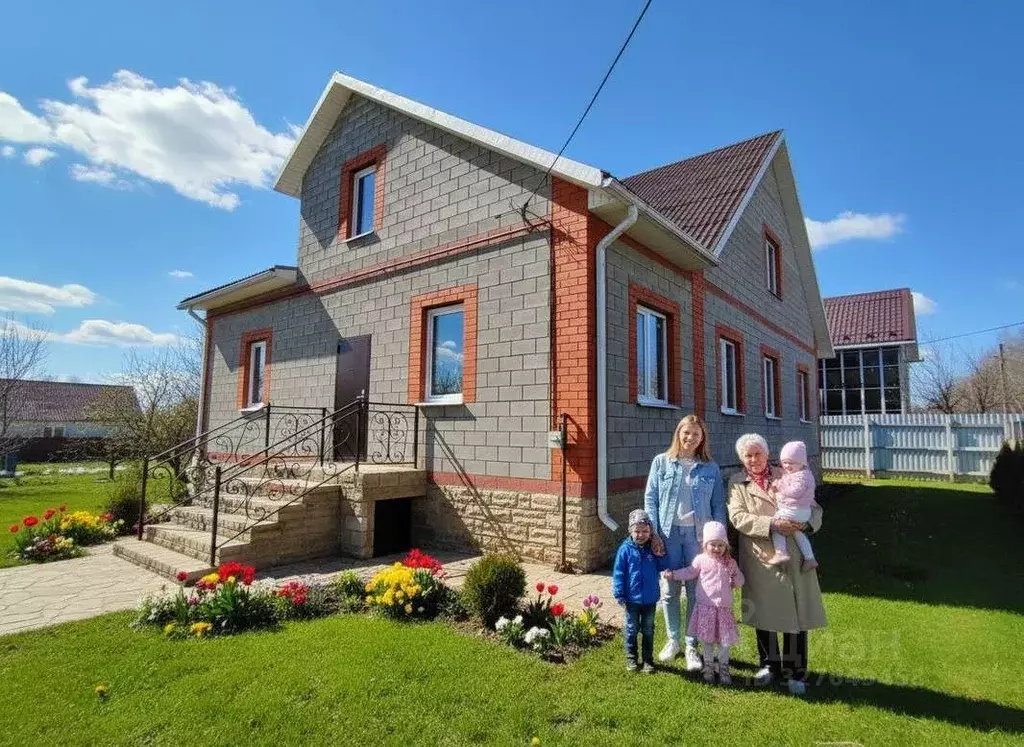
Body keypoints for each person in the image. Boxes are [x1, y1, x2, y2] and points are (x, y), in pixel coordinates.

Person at [727, 433, 827, 695]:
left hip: (793, 554)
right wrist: (772, 523)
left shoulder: (789, 473)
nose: (753, 459)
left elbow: (814, 508)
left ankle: (796, 672)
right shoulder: (737, 483)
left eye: (758, 453)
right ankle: (769, 665)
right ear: (741, 459)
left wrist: (805, 523)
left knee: (795, 613)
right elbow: (737, 517)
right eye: (748, 455)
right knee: (765, 612)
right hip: (760, 555)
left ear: (767, 453)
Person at [643, 414, 726, 670]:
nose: (690, 438)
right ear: (679, 434)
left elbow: (717, 506)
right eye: (686, 433)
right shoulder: (662, 462)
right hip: (668, 535)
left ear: (702, 439)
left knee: (694, 592)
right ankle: (673, 640)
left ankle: (691, 645)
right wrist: (654, 534)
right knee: (669, 590)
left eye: (696, 435)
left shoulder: (710, 467)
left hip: (698, 538)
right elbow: (651, 499)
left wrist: (718, 540)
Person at [661, 521, 744, 684]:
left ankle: (724, 667)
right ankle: (708, 666)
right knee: (707, 640)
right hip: (706, 607)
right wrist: (673, 575)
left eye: (721, 545)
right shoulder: (701, 560)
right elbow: (689, 572)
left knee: (724, 640)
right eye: (713, 544)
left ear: (725, 546)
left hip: (724, 609)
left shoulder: (730, 563)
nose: (717, 548)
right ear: (706, 544)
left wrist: (737, 581)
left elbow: (739, 577)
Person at [612, 509, 667, 673]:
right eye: (637, 531)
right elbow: (619, 572)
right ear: (630, 531)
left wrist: (660, 554)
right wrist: (619, 592)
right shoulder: (625, 550)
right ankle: (631, 658)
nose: (641, 535)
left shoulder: (653, 548)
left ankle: (648, 660)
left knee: (648, 629)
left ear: (650, 531)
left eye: (645, 531)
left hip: (650, 599)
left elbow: (663, 566)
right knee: (632, 628)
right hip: (631, 599)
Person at [766, 441, 819, 571]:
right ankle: (810, 558)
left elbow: (795, 492)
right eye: (785, 462)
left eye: (792, 462)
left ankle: (781, 552)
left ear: (802, 462)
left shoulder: (801, 476)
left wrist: (779, 486)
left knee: (777, 524)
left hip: (796, 510)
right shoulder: (797, 474)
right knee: (798, 533)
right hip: (800, 511)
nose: (788, 466)